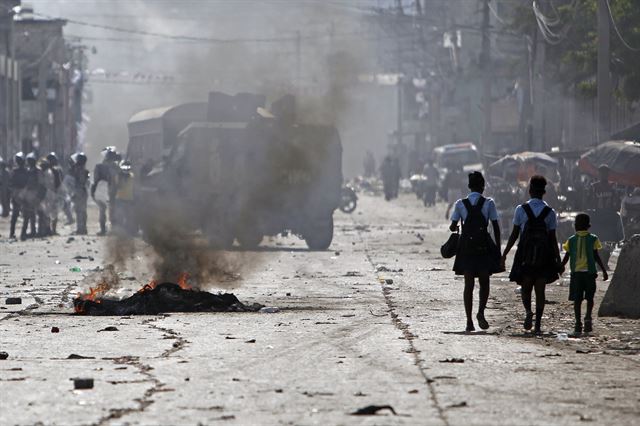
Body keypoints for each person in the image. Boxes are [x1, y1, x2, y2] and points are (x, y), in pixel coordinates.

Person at [502, 175, 562, 335]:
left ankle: (528, 311)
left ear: (529, 191)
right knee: (540, 290)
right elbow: (552, 238)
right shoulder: (550, 212)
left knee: (526, 287)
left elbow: (514, 235)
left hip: (525, 255)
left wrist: (505, 253)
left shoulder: (521, 210)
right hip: (544, 256)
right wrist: (558, 260)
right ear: (544, 192)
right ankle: (538, 325)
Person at [449, 171, 502, 332]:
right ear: (483, 187)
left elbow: (452, 226)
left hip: (466, 248)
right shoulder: (489, 203)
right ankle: (480, 312)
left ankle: (469, 321)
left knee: (468, 285)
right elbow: (496, 228)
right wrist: (498, 250)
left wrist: (456, 227)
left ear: (469, 186)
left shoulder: (460, 204)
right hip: (483, 247)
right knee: (484, 282)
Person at [560, 213, 608, 335]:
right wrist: (603, 270)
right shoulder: (593, 238)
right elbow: (596, 256)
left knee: (577, 299)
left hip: (576, 274)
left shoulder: (571, 240)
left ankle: (577, 323)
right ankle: (587, 318)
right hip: (590, 274)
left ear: (575, 225)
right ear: (588, 226)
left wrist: (560, 267)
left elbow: (566, 257)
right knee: (590, 298)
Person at [587, 165, 624, 269]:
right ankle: (598, 261)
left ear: (608, 174)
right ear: (598, 174)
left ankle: (605, 261)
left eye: (605, 173)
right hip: (598, 215)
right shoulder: (593, 187)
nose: (603, 175)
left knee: (610, 240)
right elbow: (588, 202)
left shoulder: (613, 187)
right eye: (601, 173)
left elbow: (617, 203)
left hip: (609, 216)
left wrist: (614, 208)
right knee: (596, 239)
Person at [91, 147, 119, 235]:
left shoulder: (99, 166)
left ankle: (103, 230)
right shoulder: (116, 167)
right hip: (112, 191)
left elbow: (95, 180)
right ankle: (114, 229)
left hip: (102, 190)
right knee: (113, 210)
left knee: (102, 210)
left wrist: (93, 191)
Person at [113, 160, 136, 234]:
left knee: (129, 217)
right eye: (124, 167)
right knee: (120, 216)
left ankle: (128, 231)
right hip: (120, 199)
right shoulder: (118, 176)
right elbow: (118, 186)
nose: (126, 168)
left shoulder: (132, 176)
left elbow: (134, 187)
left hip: (129, 199)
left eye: (128, 167)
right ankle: (120, 232)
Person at [69, 152, 90, 235]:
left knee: (78, 211)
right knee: (83, 211)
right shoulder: (85, 171)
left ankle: (80, 229)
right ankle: (83, 228)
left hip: (77, 191)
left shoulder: (76, 169)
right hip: (83, 191)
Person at [8, 152, 28, 239]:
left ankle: (14, 233)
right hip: (23, 194)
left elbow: (10, 184)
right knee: (24, 215)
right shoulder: (24, 171)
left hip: (19, 194)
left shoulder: (15, 171)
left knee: (16, 215)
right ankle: (21, 233)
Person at [46, 153, 64, 234]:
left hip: (49, 193)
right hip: (53, 193)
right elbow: (60, 182)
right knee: (53, 212)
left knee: (49, 212)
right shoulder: (57, 170)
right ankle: (52, 230)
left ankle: (49, 229)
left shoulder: (46, 170)